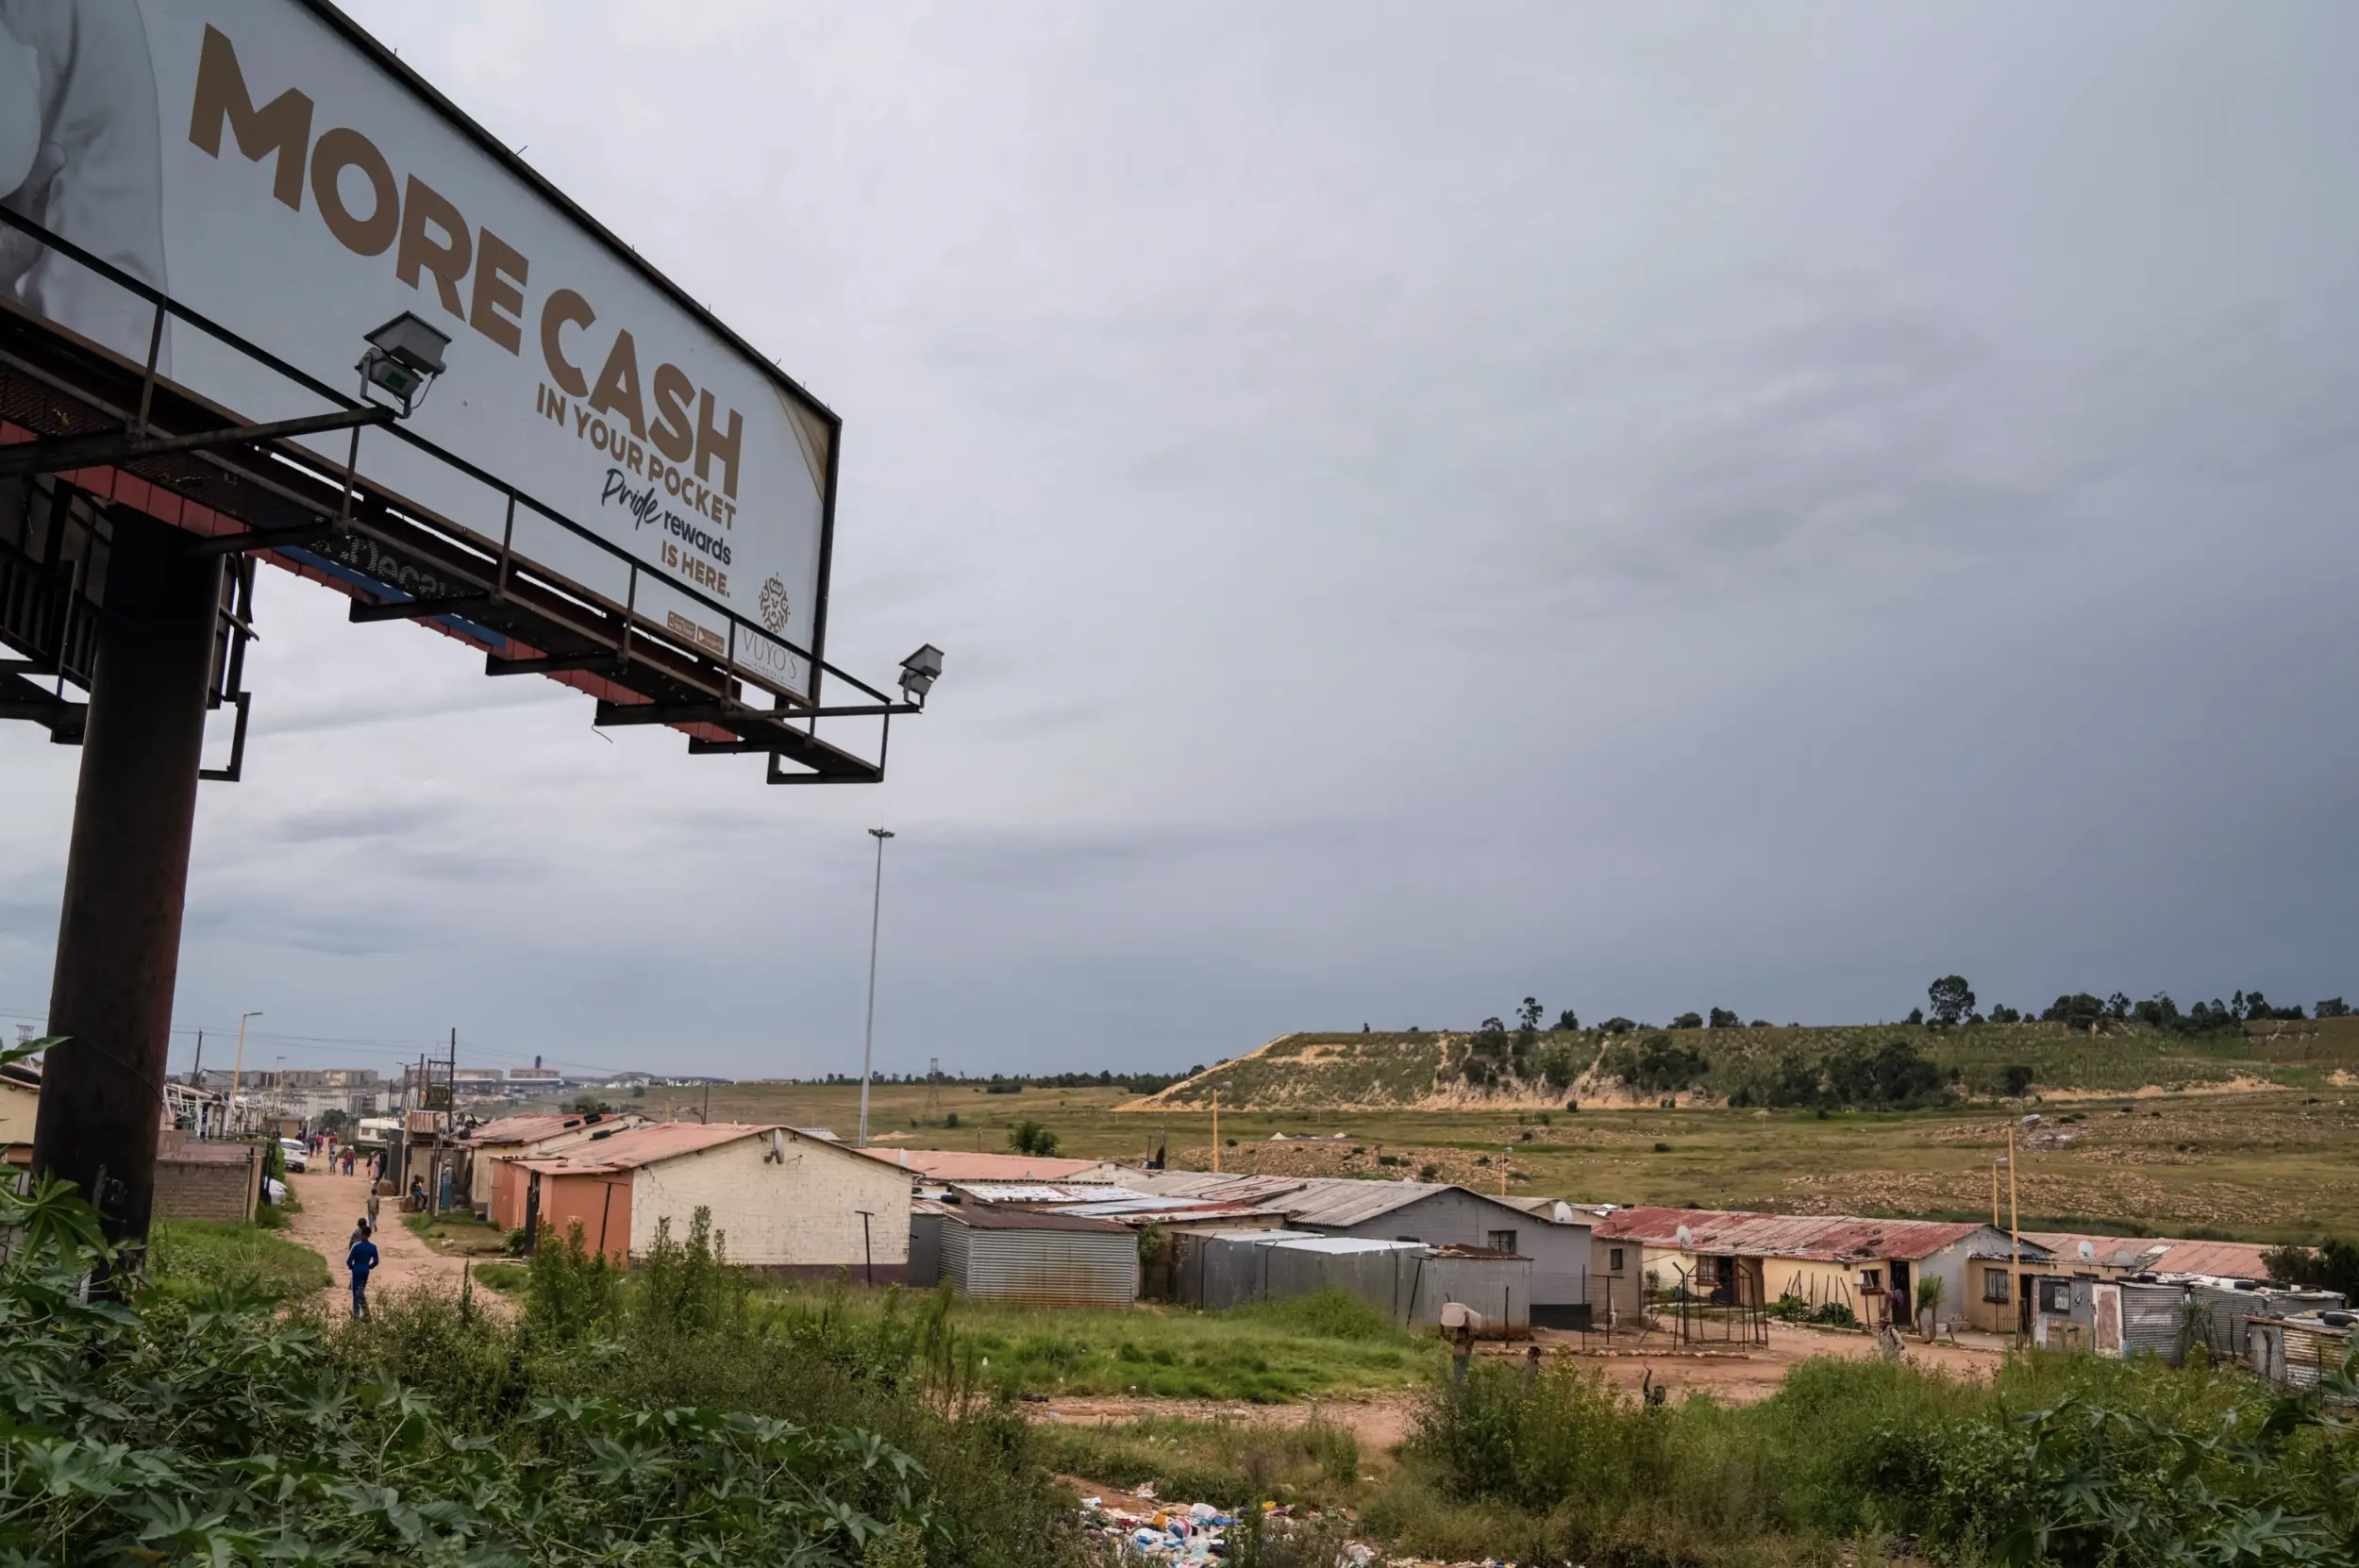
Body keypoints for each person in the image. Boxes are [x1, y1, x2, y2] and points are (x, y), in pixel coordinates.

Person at [346, 1221, 378, 1320]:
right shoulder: (373, 1247)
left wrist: (353, 1267)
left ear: (361, 1234)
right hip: (365, 1270)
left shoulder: (356, 1246)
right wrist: (369, 1267)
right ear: (369, 1235)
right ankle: (366, 1314)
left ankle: (356, 1316)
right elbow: (376, 1261)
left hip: (357, 1270)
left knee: (356, 1292)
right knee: (360, 1291)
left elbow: (349, 1261)